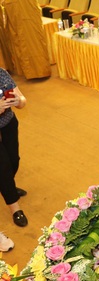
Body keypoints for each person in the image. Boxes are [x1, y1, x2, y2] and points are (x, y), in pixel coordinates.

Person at [0, 68, 28, 227]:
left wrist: (19, 101)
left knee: (13, 160)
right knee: (2, 166)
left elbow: (22, 99)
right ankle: (15, 208)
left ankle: (7, 185)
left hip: (8, 123)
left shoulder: (2, 73)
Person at [0, 0, 51, 79]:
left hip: (25, 8)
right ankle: (28, 70)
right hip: (13, 7)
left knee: (31, 37)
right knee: (19, 38)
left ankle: (39, 71)